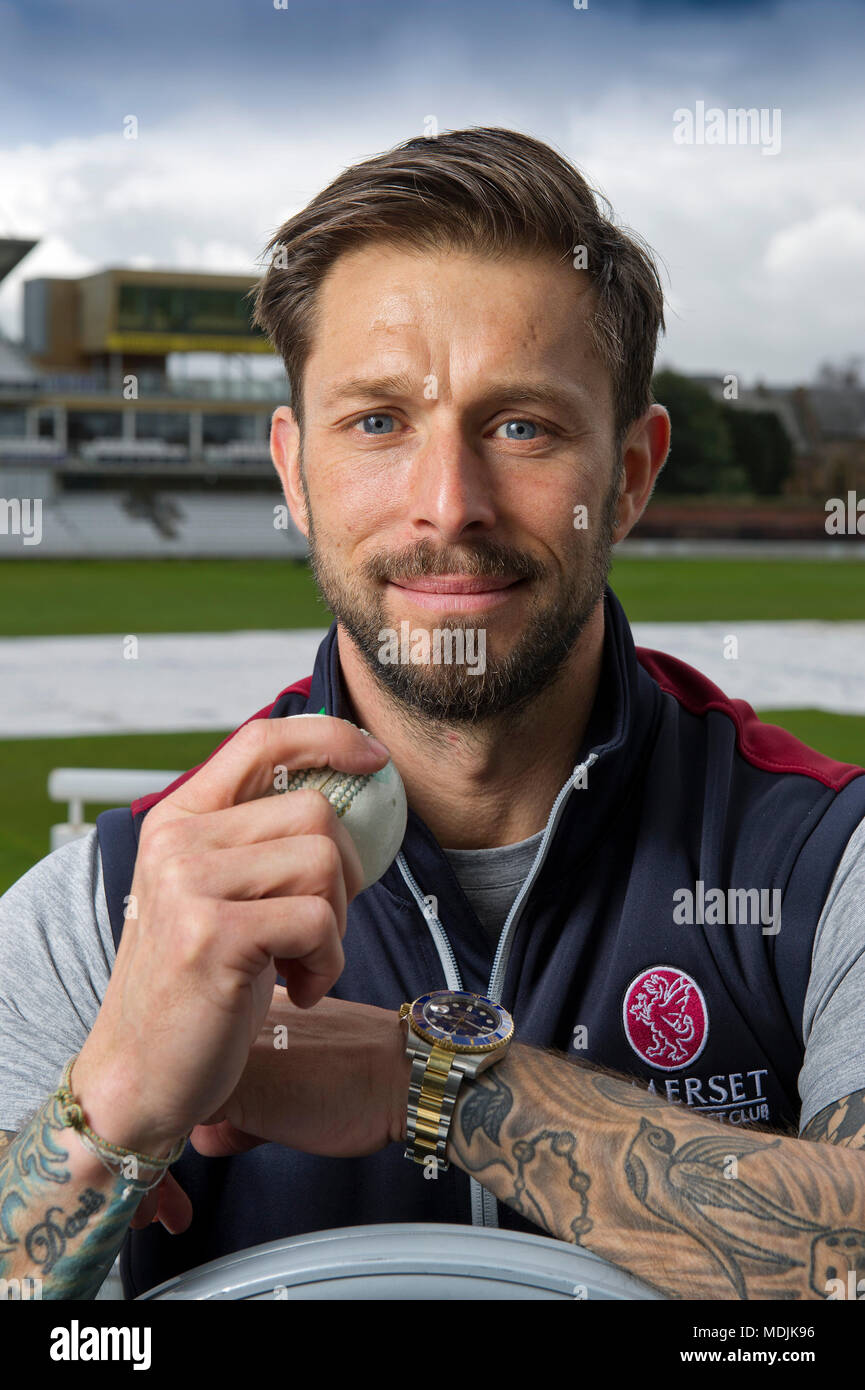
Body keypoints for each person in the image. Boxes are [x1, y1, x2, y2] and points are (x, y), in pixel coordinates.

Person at [2, 127, 865, 1304]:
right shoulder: (111, 909)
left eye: (522, 425)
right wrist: (108, 1108)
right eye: (377, 422)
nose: (447, 505)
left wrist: (441, 1084)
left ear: (629, 474)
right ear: (293, 474)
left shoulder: (826, 864)